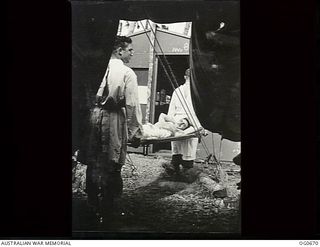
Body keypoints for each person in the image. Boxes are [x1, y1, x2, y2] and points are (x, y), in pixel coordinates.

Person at [85, 36, 142, 225]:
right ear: (119, 51)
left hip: (93, 116)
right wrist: (135, 132)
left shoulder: (96, 69)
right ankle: (109, 210)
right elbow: (132, 105)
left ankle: (92, 205)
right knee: (113, 161)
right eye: (130, 50)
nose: (132, 53)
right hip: (113, 118)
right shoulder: (127, 73)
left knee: (93, 161)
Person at [165, 68, 202, 175]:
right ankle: (186, 169)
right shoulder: (197, 92)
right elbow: (199, 111)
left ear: (185, 77)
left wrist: (171, 125)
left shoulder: (177, 90)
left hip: (178, 122)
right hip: (192, 122)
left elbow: (171, 111)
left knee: (177, 146)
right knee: (188, 148)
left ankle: (175, 166)